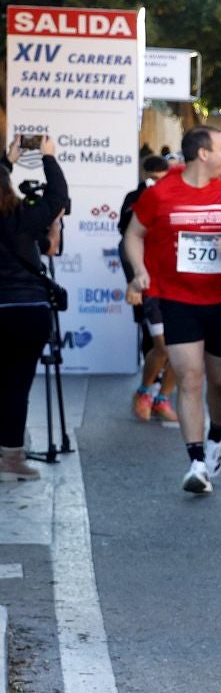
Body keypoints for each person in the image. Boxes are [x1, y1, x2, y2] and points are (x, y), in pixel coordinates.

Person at [123, 125, 221, 494]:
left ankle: (215, 437)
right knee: (189, 377)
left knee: (219, 381)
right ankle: (196, 461)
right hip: (178, 300)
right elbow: (133, 234)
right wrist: (140, 271)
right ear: (203, 153)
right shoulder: (161, 193)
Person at [0, 136, 68, 481]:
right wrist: (48, 158)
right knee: (16, 386)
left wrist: (6, 161)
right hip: (27, 309)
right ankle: (10, 457)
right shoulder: (24, 217)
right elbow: (58, 199)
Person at [123, 154, 178, 425]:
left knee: (184, 352)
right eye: (152, 177)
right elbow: (128, 239)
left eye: (162, 177)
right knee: (163, 346)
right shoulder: (137, 199)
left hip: (185, 287)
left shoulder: (181, 200)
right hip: (153, 285)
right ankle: (145, 390)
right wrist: (134, 279)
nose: (157, 183)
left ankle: (162, 397)